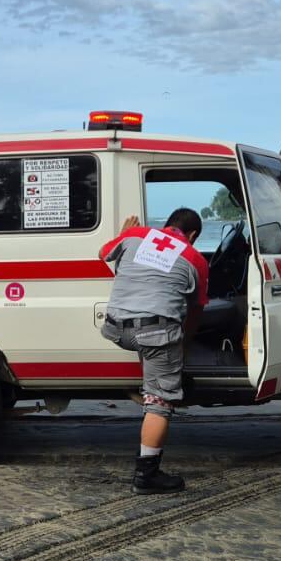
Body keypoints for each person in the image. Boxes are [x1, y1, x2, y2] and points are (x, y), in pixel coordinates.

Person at [97, 209, 209, 494]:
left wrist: (123, 234)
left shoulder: (136, 235)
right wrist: (183, 345)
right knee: (160, 403)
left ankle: (149, 383)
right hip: (154, 332)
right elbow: (195, 310)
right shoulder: (195, 258)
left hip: (116, 328)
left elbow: (103, 253)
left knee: (151, 344)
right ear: (193, 235)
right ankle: (146, 476)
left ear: (167, 224)